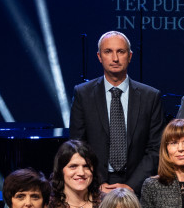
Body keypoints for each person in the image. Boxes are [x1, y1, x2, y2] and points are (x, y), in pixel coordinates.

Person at [69, 31, 164, 195]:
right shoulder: (83, 94)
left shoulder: (150, 97)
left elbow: (155, 149)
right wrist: (96, 183)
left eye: (121, 51)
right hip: (95, 186)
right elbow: (78, 145)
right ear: (99, 56)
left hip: (137, 186)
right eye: (108, 52)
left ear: (130, 56)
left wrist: (131, 186)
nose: (115, 58)